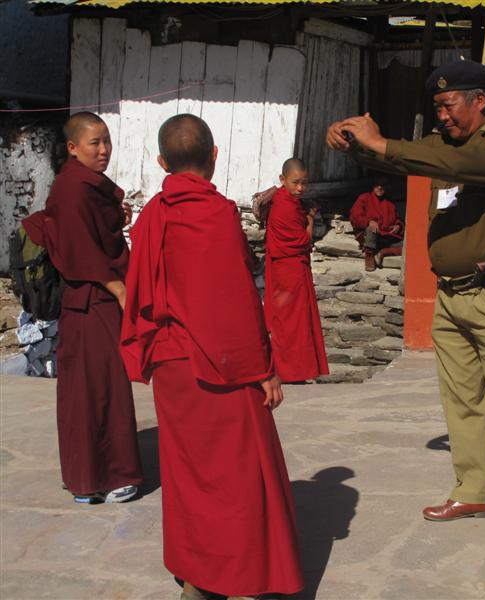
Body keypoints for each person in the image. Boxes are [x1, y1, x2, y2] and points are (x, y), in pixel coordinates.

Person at [326, 59, 485, 545]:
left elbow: (453, 165)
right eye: (437, 108)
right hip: (451, 295)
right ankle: (474, 489)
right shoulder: (440, 146)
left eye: (449, 106)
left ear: (480, 100)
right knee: (462, 400)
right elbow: (399, 160)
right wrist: (352, 144)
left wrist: (380, 142)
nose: (443, 116)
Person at [120, 114, 304, 599]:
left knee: (189, 476)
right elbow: (235, 300)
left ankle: (198, 579)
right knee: (240, 475)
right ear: (215, 155)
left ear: (162, 163)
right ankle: (242, 578)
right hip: (223, 364)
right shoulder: (216, 213)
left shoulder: (152, 215)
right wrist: (263, 368)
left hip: (172, 367)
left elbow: (142, 289)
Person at [22, 111, 142, 504]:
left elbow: (94, 232)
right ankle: (113, 475)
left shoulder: (88, 185)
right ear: (73, 148)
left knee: (89, 390)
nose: (104, 150)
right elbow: (78, 250)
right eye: (95, 143)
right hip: (92, 300)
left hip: (92, 301)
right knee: (101, 389)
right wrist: (118, 288)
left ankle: (86, 478)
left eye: (107, 141)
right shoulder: (73, 187)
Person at [263, 158, 329, 383]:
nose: (300, 188)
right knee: (292, 321)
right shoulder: (284, 206)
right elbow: (302, 239)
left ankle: (294, 370)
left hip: (288, 267)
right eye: (295, 183)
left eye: (304, 183)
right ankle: (290, 371)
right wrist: (309, 219)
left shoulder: (286, 201)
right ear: (283, 180)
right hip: (288, 270)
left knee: (292, 320)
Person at [349, 175, 404, 271]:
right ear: (373, 186)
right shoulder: (364, 198)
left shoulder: (389, 202)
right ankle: (369, 255)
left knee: (408, 245)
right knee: (372, 229)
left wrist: (398, 226)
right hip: (370, 236)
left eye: (383, 185)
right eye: (377, 185)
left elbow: (398, 218)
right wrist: (369, 221)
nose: (380, 187)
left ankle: (384, 252)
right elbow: (355, 217)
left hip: (387, 237)